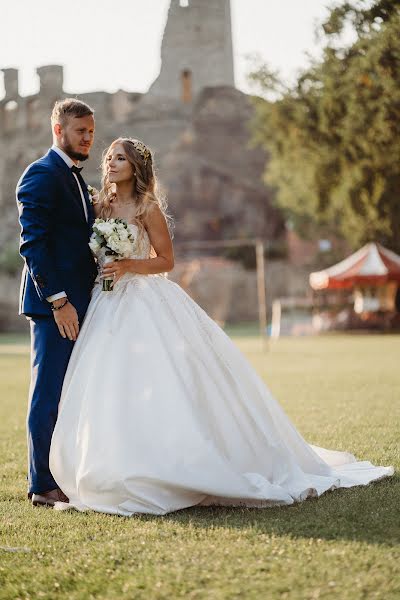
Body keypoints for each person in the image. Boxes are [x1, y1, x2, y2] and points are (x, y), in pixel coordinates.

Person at [49, 137, 393, 516]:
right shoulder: (100, 203)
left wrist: (128, 265)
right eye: (109, 157)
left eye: (121, 158)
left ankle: (172, 463)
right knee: (109, 382)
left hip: (142, 300)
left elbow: (166, 261)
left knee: (164, 379)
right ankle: (110, 466)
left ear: (136, 167)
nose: (111, 163)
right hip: (105, 302)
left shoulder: (147, 208)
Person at [17, 99, 97, 506]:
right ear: (58, 130)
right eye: (80, 131)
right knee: (47, 393)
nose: (87, 138)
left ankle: (66, 472)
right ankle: (43, 485)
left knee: (70, 393)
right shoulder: (41, 174)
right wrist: (59, 301)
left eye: (90, 132)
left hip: (85, 304)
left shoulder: (76, 179)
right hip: (55, 308)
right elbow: (33, 245)